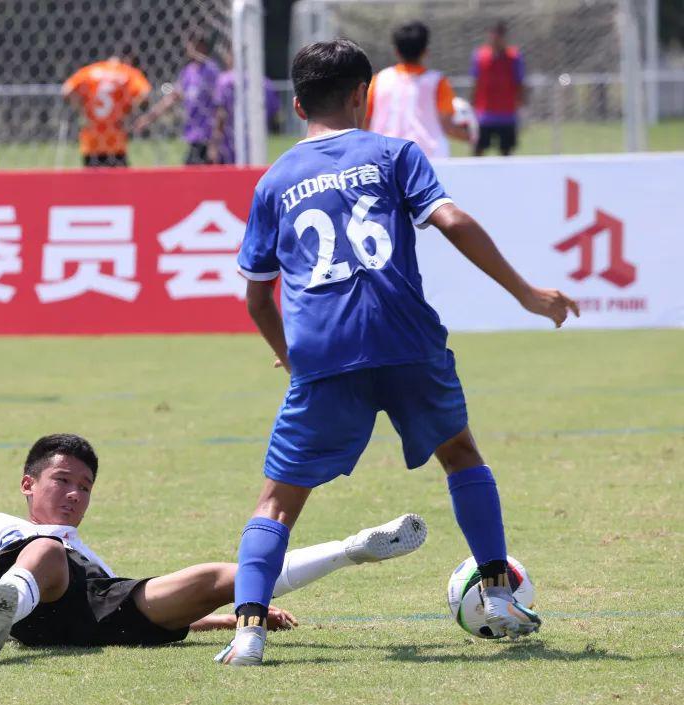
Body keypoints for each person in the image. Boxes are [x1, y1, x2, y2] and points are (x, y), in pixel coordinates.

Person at [221, 39, 580, 665]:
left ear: (298, 104)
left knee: (277, 501)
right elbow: (452, 220)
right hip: (406, 338)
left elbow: (257, 298)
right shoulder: (394, 154)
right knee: (460, 454)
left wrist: (292, 356)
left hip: (325, 353)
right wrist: (526, 293)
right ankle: (498, 594)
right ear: (363, 95)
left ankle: (248, 630)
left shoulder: (274, 181)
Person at [0, 433, 428, 662]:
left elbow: (121, 602)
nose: (75, 494)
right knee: (48, 552)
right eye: (62, 480)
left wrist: (230, 616)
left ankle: (352, 549)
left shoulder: (87, 554)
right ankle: (3, 611)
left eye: (85, 487)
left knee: (216, 576)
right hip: (34, 604)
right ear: (28, 484)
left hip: (93, 614)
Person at [364, 21, 472, 158]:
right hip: (429, 157)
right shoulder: (437, 82)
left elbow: (365, 121)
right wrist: (470, 135)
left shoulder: (379, 80)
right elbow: (447, 125)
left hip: (385, 156)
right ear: (426, 51)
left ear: (396, 51)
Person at [132, 32, 221, 165]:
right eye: (192, 44)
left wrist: (216, 139)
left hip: (209, 134)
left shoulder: (211, 70)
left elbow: (219, 105)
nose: (195, 48)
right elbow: (172, 98)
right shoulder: (188, 72)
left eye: (199, 45)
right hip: (193, 134)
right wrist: (148, 118)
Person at [61, 52, 150, 168]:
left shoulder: (90, 70)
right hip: (115, 137)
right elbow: (145, 93)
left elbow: (66, 90)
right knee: (119, 177)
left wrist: (82, 110)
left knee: (93, 177)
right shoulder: (127, 72)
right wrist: (129, 112)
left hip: (92, 139)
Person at [212, 46, 281, 165]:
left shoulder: (225, 80)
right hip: (256, 142)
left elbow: (221, 113)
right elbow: (274, 112)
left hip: (229, 142)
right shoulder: (264, 82)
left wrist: (215, 143)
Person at [470, 21, 526, 156]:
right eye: (493, 35)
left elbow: (520, 84)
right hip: (484, 115)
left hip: (506, 115)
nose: (496, 39)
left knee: (506, 154)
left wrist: (522, 108)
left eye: (499, 35)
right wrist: (472, 105)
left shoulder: (514, 57)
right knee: (477, 152)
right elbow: (475, 83)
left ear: (504, 37)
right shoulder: (480, 56)